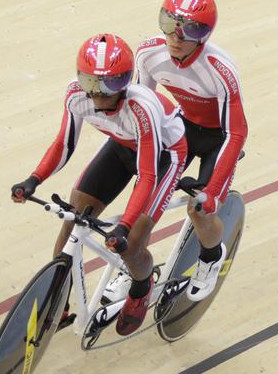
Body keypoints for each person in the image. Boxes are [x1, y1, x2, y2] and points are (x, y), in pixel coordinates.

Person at [10, 33, 187, 335]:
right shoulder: (76, 95)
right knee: (73, 213)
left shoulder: (141, 108)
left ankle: (142, 286)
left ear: (126, 81)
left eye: (109, 85)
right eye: (91, 83)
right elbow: (63, 144)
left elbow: (147, 176)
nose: (98, 95)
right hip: (121, 145)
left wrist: (125, 226)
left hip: (163, 156)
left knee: (131, 244)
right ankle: (58, 298)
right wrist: (33, 179)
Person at [134, 0, 247, 302]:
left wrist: (211, 194)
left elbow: (236, 133)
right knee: (144, 201)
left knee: (198, 210)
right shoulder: (148, 53)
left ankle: (211, 257)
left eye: (189, 29)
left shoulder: (220, 71)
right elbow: (144, 108)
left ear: (204, 35)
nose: (176, 36)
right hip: (183, 128)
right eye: (169, 23)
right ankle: (133, 266)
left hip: (218, 139)